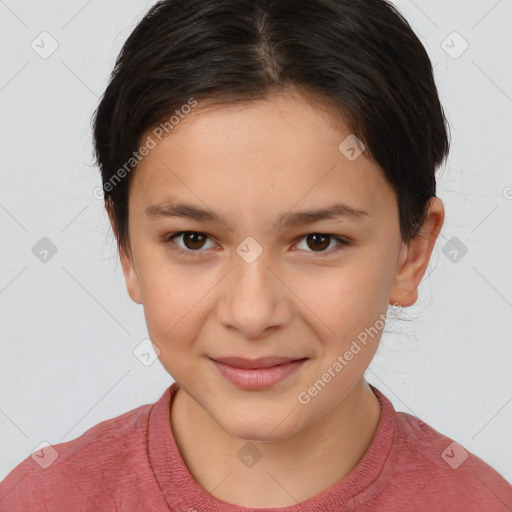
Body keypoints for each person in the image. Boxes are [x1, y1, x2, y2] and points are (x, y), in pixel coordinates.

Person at [1, 0, 511, 510]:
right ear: (126, 249)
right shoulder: (40, 498)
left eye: (318, 241)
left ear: (412, 253)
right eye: (193, 239)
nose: (251, 313)